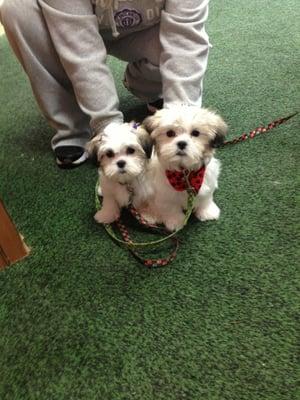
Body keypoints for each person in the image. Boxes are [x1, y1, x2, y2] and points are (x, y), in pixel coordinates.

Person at [0, 0, 210, 168]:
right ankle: (72, 126)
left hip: (147, 29)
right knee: (17, 8)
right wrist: (109, 128)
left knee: (180, 51)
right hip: (68, 26)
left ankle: (146, 85)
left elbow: (185, 40)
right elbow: (82, 52)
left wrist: (182, 124)